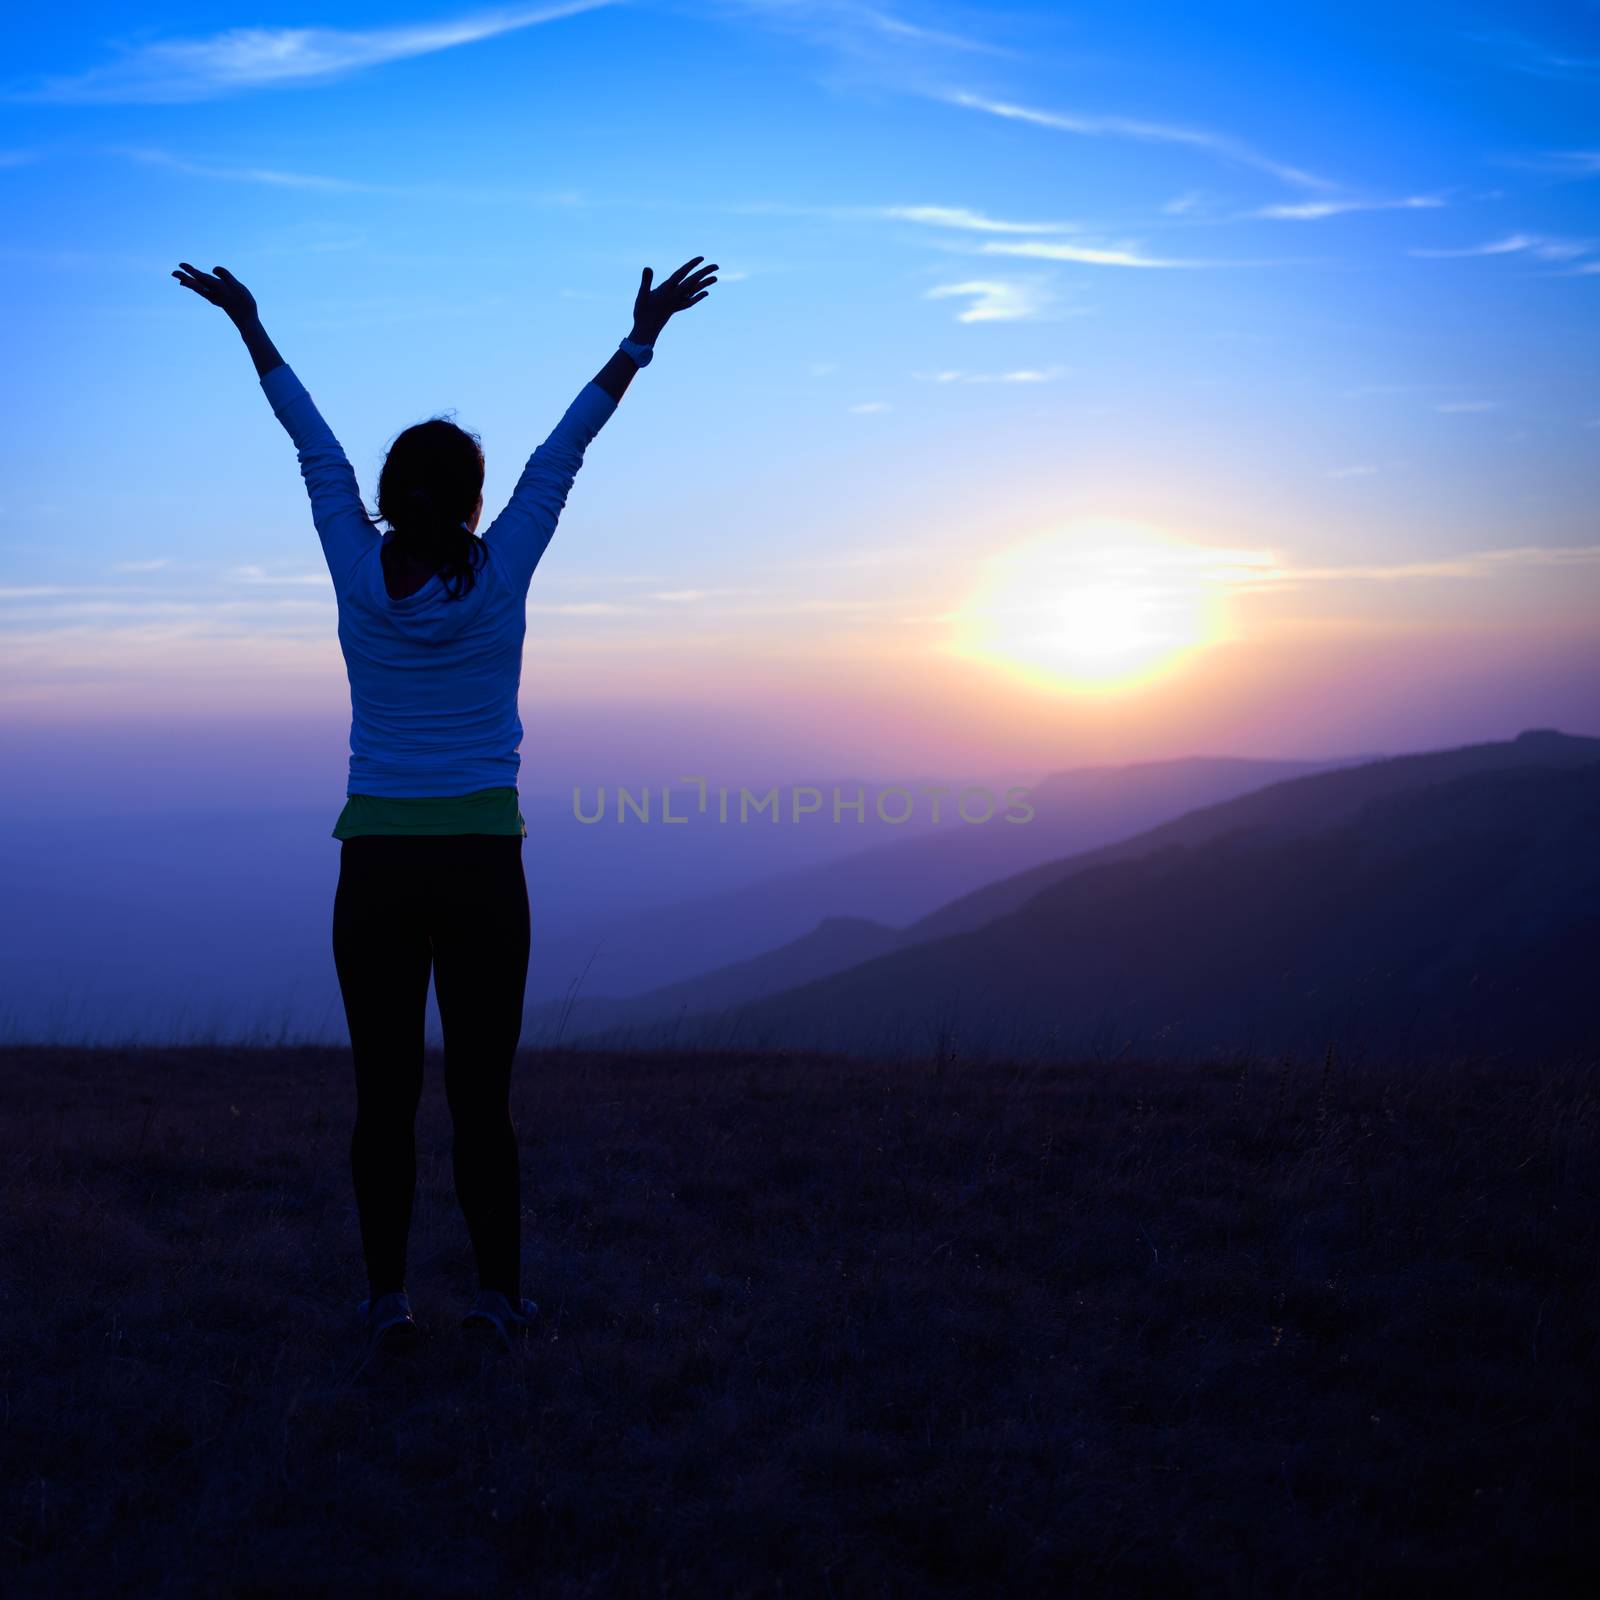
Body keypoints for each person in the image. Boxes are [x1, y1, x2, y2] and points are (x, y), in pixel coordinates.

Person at [173, 254, 718, 1363]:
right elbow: (562, 457)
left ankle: (385, 1302)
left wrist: (252, 328)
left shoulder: (349, 564)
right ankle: (498, 1298)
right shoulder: (506, 567)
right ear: (474, 503)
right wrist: (640, 338)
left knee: (383, 1097)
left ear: (382, 498)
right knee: (480, 1097)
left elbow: (310, 446)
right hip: (481, 863)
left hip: (374, 861)